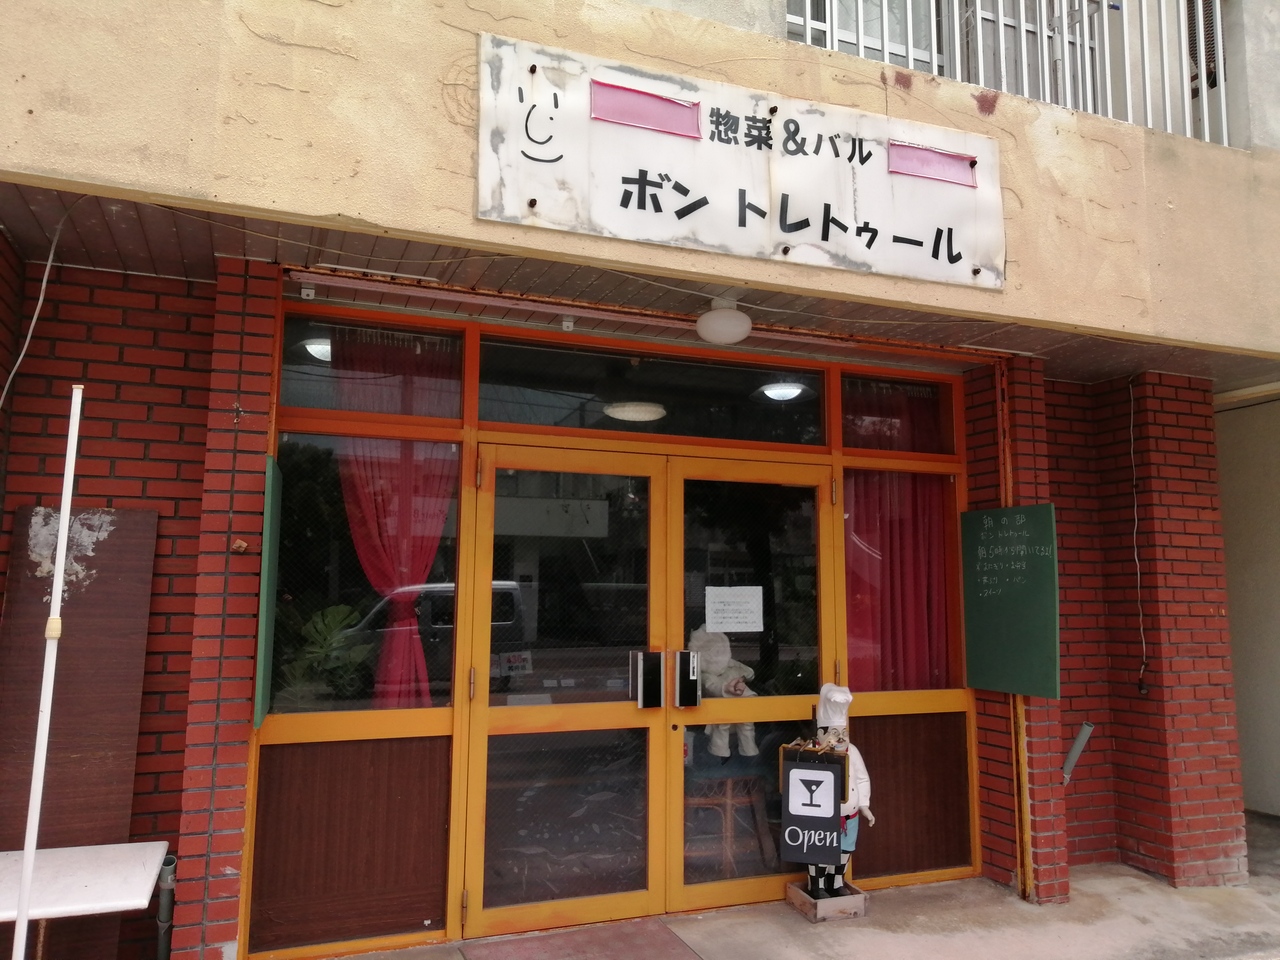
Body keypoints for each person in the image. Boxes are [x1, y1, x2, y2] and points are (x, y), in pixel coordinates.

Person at [806, 682, 874, 899]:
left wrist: (864, 806)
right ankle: (817, 886)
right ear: (821, 733)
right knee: (819, 852)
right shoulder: (812, 753)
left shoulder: (852, 751)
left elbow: (862, 779)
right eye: (835, 733)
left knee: (844, 852)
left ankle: (836, 883)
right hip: (822, 817)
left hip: (849, 816)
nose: (841, 737)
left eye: (844, 732)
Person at [688, 624, 758, 758]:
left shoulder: (730, 665)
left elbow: (750, 673)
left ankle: (749, 752)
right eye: (711, 651)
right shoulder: (706, 674)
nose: (716, 655)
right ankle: (719, 754)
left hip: (743, 702)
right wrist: (727, 687)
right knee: (721, 727)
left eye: (719, 650)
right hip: (721, 707)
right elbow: (712, 686)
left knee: (747, 726)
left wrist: (740, 679)